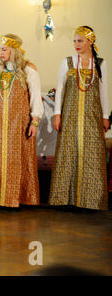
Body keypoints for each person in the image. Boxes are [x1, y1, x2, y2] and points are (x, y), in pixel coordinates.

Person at [0, 34, 44, 208]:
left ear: (14, 50)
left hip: (19, 123)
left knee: (19, 159)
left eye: (4, 49)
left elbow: (36, 96)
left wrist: (34, 120)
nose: (1, 52)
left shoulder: (29, 69)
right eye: (0, 49)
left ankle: (17, 198)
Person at [49, 26, 109, 210]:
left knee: (91, 153)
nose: (76, 44)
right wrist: (57, 114)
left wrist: (105, 116)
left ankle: (91, 201)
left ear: (90, 42)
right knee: (69, 152)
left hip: (92, 116)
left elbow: (103, 91)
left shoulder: (100, 63)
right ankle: (65, 199)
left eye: (80, 41)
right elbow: (60, 89)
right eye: (75, 41)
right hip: (70, 115)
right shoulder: (67, 62)